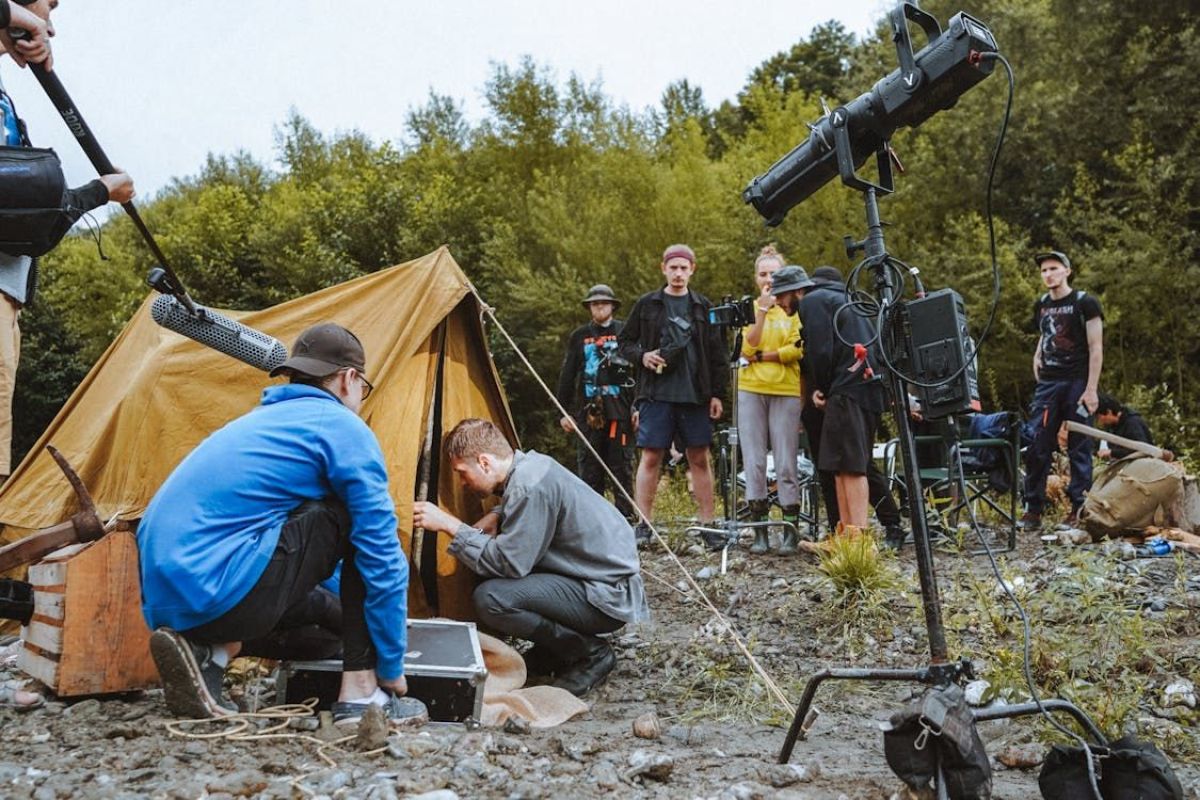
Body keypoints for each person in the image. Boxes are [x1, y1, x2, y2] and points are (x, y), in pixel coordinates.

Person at [138, 323, 424, 727]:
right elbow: (381, 554)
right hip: (221, 588)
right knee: (350, 517)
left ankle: (211, 654)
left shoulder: (261, 424)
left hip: (173, 601)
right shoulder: (342, 427)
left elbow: (308, 555)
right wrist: (391, 663)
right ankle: (361, 696)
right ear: (349, 379)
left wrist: (357, 619)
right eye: (364, 388)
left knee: (327, 632)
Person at [413, 418, 649, 698]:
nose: (463, 483)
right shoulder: (532, 466)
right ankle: (555, 651)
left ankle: (591, 654)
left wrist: (450, 525)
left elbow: (509, 565)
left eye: (463, 473)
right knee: (487, 572)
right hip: (595, 578)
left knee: (492, 598)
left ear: (485, 462)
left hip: (607, 595)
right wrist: (498, 513)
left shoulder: (528, 487)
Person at [1, 0, 134, 483]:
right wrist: (101, 191)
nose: (53, 12)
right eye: (47, 3)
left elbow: (29, 220)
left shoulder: (5, 102)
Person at [618, 244, 728, 548]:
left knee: (699, 457)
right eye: (673, 267)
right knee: (651, 455)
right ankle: (644, 525)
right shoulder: (647, 305)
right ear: (663, 268)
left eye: (684, 267)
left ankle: (708, 524)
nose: (678, 273)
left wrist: (718, 394)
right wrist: (642, 357)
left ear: (692, 269)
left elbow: (717, 353)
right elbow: (624, 342)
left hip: (696, 394)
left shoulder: (702, 306)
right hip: (656, 393)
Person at [788, 265, 887, 532]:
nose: (777, 301)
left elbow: (821, 349)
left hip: (847, 388)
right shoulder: (847, 300)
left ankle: (858, 541)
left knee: (851, 466)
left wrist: (821, 387)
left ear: (798, 290)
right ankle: (844, 534)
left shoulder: (813, 300)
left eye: (780, 295)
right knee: (840, 465)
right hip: (867, 386)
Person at [1021, 250, 1103, 529]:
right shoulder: (1042, 304)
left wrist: (1091, 390)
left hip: (1077, 382)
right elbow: (1046, 333)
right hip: (1049, 383)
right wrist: (1037, 356)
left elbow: (1096, 347)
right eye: (1044, 270)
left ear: (1067, 271)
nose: (1048, 274)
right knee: (1036, 442)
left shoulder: (1085, 303)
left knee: (1079, 444)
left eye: (1054, 268)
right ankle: (1033, 508)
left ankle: (1079, 508)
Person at [738, 245, 804, 554]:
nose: (768, 279)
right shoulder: (750, 309)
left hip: (786, 390)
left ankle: (790, 529)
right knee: (753, 461)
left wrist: (766, 356)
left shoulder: (793, 310)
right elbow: (746, 348)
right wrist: (762, 311)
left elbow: (797, 349)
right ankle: (760, 531)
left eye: (774, 274)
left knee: (786, 461)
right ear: (755, 278)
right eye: (763, 274)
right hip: (751, 388)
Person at [554, 284, 635, 520]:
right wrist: (563, 412)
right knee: (590, 468)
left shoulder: (625, 331)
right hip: (589, 413)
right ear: (589, 306)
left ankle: (626, 519)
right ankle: (593, 521)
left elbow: (638, 373)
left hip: (620, 411)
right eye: (595, 303)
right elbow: (567, 375)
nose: (599, 306)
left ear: (612, 305)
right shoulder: (579, 336)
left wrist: (638, 407)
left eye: (604, 302)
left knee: (621, 466)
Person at [1094, 392, 1162, 460]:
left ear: (1109, 412)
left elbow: (1143, 450)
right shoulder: (1111, 426)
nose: (1099, 421)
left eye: (1099, 417)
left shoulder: (1132, 423)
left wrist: (1112, 453)